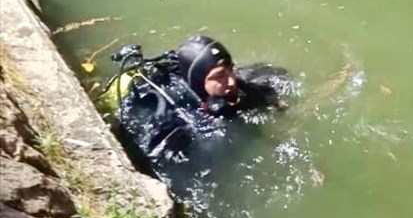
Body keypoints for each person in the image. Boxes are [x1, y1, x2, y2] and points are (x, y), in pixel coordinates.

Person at [102, 34, 291, 180]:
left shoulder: (229, 84)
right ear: (199, 81)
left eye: (230, 69)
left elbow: (263, 89)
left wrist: (277, 104)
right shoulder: (175, 119)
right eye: (219, 76)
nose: (232, 80)